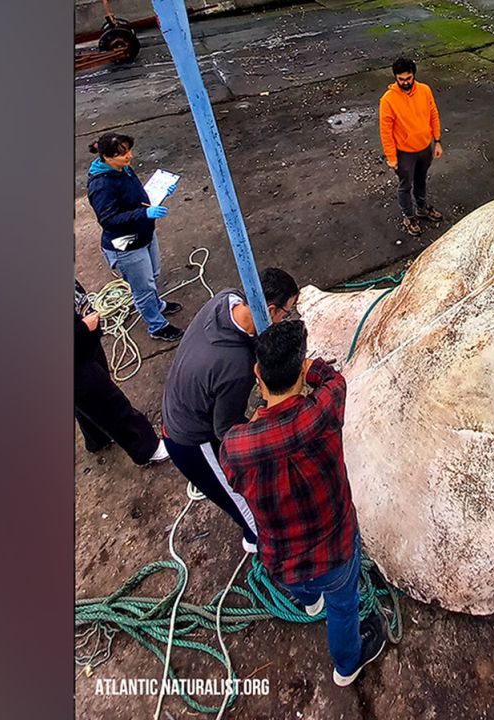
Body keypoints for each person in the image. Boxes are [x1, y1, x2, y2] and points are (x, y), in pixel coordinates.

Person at [218, 320, 387, 687]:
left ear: (257, 373)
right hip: (335, 550)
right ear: (300, 372)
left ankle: (309, 603)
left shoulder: (236, 446)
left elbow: (233, 477)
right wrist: (314, 369)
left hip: (283, 558)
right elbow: (335, 381)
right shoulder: (322, 412)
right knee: (343, 608)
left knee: (304, 587)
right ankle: (347, 665)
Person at [160, 269, 301, 553]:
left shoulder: (226, 299)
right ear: (270, 309)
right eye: (287, 313)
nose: (288, 319)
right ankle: (259, 544)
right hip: (191, 439)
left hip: (179, 402)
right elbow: (226, 430)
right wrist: (266, 427)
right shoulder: (236, 365)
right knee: (244, 502)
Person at [86, 132, 184, 342]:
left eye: (128, 150)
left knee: (153, 274)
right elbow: (108, 220)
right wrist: (144, 213)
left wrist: (160, 192)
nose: (129, 156)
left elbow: (135, 197)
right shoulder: (101, 185)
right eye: (122, 154)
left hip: (144, 233)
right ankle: (156, 326)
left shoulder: (123, 169)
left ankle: (157, 306)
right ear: (107, 157)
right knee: (143, 287)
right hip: (125, 244)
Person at [75, 279, 169, 465]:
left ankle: (97, 438)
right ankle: (148, 448)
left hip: (84, 343)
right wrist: (84, 329)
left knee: (87, 402)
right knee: (107, 401)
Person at [379, 57, 444, 237]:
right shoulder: (388, 100)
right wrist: (391, 157)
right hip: (404, 153)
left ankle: (422, 209)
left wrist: (437, 141)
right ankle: (409, 216)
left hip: (425, 148)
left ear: (413, 75)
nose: (405, 82)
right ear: (395, 78)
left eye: (408, 78)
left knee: (421, 180)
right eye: (401, 79)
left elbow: (433, 114)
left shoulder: (425, 90)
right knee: (405, 186)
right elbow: (386, 132)